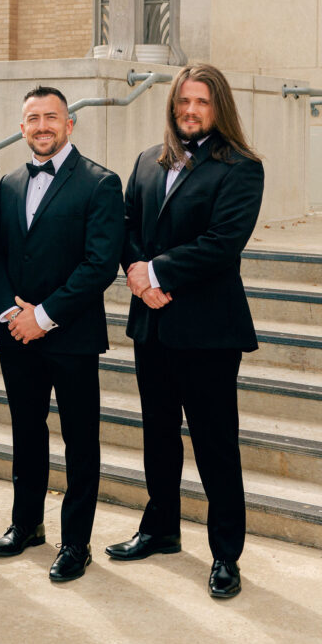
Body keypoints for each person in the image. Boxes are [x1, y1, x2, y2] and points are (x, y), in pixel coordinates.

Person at [105, 63, 264, 600]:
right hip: (152, 325)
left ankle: (225, 554)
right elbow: (124, 226)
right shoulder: (148, 161)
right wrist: (135, 273)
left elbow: (222, 244)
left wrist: (156, 272)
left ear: (218, 106)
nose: (188, 111)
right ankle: (160, 527)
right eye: (181, 103)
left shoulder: (242, 167)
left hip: (209, 332)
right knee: (158, 436)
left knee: (216, 445)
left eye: (199, 102)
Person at [0, 86, 124, 582]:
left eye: (52, 117)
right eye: (32, 118)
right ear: (21, 128)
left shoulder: (100, 183)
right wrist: (7, 312)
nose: (42, 126)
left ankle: (76, 543)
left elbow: (100, 262)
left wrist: (43, 315)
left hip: (71, 335)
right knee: (26, 433)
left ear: (70, 125)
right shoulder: (8, 184)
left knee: (80, 440)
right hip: (15, 335)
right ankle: (26, 525)